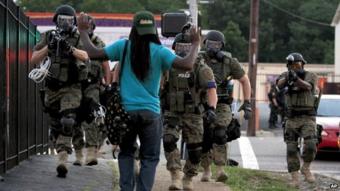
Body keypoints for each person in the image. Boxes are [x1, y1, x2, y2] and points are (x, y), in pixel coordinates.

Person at [77, 10, 200, 191]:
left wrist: (82, 31)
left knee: (126, 153)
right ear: (154, 31)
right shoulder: (160, 52)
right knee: (149, 158)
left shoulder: (123, 47)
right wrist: (196, 43)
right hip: (151, 113)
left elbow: (93, 53)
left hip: (125, 112)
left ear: (133, 29)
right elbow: (187, 64)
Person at [30, 4, 89, 178]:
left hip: (71, 88)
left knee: (68, 121)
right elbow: (34, 59)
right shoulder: (48, 36)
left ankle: (63, 159)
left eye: (69, 20)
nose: (65, 24)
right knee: (56, 126)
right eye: (62, 20)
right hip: (52, 88)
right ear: (56, 21)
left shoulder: (78, 37)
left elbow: (85, 56)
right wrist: (49, 47)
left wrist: (69, 49)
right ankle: (60, 149)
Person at [161, 32, 217, 190]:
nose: (184, 50)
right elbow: (158, 85)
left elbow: (212, 90)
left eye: (187, 46)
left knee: (195, 150)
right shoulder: (167, 65)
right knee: (168, 140)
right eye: (180, 47)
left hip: (193, 114)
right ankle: (175, 174)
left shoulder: (201, 67)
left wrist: (211, 108)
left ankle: (188, 177)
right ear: (174, 48)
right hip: (172, 111)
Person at [198, 30, 252, 182]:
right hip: (202, 103)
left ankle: (220, 169)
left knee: (220, 133)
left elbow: (245, 80)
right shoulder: (199, 58)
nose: (213, 47)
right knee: (205, 136)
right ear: (205, 44)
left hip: (222, 104)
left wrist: (247, 103)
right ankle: (206, 169)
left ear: (222, 46)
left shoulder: (229, 61)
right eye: (210, 44)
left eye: (217, 45)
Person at [72, 15, 111, 166]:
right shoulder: (74, 41)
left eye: (89, 26)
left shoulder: (98, 42)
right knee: (73, 118)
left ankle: (91, 151)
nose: (86, 29)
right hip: (74, 85)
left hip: (92, 85)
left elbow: (106, 65)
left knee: (92, 116)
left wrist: (107, 85)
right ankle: (78, 152)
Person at [276, 52, 318, 187]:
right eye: (293, 65)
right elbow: (279, 85)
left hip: (307, 117)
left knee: (311, 144)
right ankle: (294, 178)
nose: (296, 67)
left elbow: (308, 86)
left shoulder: (311, 75)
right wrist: (288, 77)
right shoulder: (285, 75)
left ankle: (305, 168)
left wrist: (296, 79)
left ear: (303, 64)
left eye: (298, 65)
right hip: (291, 117)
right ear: (288, 66)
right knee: (291, 148)